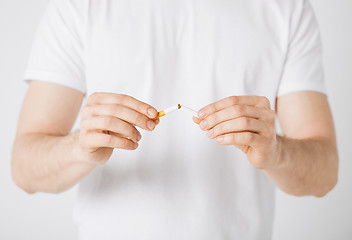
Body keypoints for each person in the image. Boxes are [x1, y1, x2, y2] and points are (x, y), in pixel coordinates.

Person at [12, 0, 338, 239]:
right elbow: (24, 169)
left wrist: (277, 152)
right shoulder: (78, 6)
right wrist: (80, 148)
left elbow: (324, 174)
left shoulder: (287, 9)